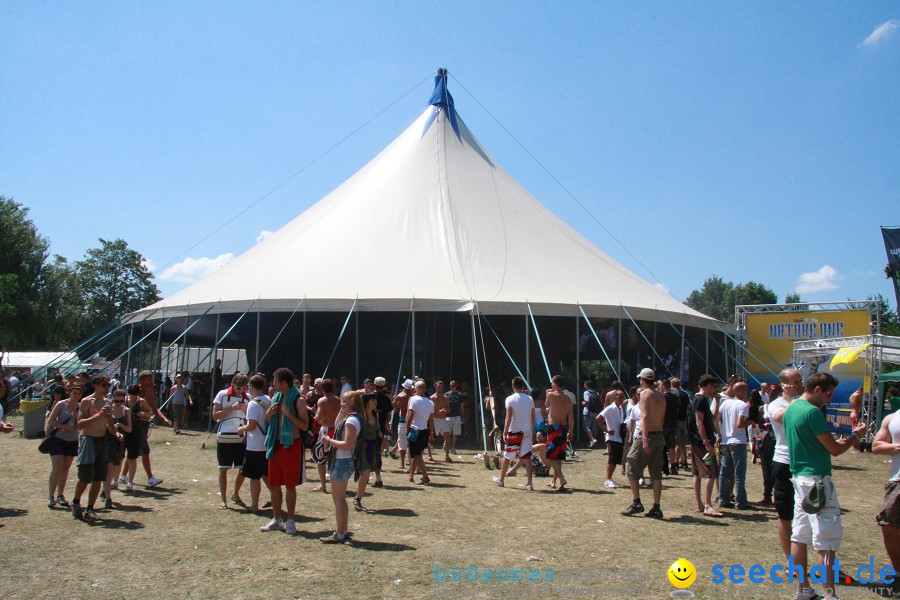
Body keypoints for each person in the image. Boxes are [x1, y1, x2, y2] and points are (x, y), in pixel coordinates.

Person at [783, 372, 865, 600]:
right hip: (817, 481)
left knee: (799, 535)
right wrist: (855, 436)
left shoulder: (792, 408)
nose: (829, 400)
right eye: (828, 395)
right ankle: (830, 595)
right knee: (826, 541)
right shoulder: (812, 412)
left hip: (799, 478)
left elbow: (817, 443)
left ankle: (803, 589)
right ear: (818, 389)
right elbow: (835, 450)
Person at [261, 368, 308, 534]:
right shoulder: (276, 398)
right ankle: (276, 518)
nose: (272, 383)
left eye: (275, 380)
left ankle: (291, 520)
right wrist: (268, 414)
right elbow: (269, 421)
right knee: (273, 484)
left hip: (291, 445)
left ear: (283, 383)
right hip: (276, 444)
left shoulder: (299, 400)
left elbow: (304, 425)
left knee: (289, 485)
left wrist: (289, 414)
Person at [320, 391, 364, 543]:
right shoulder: (353, 417)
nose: (341, 404)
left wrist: (328, 440)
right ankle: (343, 530)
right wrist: (342, 409)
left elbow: (347, 444)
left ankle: (339, 534)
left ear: (352, 402)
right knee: (340, 499)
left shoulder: (352, 420)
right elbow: (337, 424)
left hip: (342, 461)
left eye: (344, 401)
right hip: (343, 460)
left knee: (338, 500)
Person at [71, 376, 116, 521]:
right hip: (88, 440)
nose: (107, 387)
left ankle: (90, 508)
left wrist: (110, 421)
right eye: (104, 385)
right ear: (95, 386)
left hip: (102, 440)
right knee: (85, 475)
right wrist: (98, 416)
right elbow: (81, 424)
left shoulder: (108, 403)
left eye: (108, 385)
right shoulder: (86, 401)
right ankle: (76, 502)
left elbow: (111, 427)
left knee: (99, 476)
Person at [622, 368, 666, 518]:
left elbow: (645, 417)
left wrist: (645, 439)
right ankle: (657, 507)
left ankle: (636, 503)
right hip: (659, 436)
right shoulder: (661, 396)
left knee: (632, 466)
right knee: (656, 474)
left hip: (647, 436)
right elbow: (661, 418)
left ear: (642, 379)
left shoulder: (645, 394)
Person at [212, 373, 249, 509]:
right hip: (225, 437)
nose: (240, 391)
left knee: (242, 468)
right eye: (238, 387)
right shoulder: (222, 394)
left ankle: (236, 493)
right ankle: (223, 499)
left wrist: (246, 434)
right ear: (233, 384)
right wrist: (232, 408)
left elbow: (249, 418)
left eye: (243, 388)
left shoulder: (247, 397)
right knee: (223, 469)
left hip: (240, 437)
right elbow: (215, 416)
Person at [872, 407, 900, 587]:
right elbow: (876, 446)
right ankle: (897, 572)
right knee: (888, 525)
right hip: (897, 480)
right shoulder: (892, 417)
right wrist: (897, 446)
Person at [492, 377, 535, 491]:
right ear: (523, 386)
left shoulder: (510, 399)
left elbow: (508, 416)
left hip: (515, 430)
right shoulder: (530, 399)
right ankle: (529, 483)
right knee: (527, 457)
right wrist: (530, 429)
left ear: (513, 387)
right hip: (527, 430)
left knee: (507, 456)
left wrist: (505, 431)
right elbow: (532, 415)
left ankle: (501, 480)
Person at [237, 374, 272, 513]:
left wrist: (241, 429)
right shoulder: (268, 400)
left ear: (251, 386)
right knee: (265, 474)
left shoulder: (253, 403)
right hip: (266, 443)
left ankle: (254, 505)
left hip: (255, 445)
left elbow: (251, 426)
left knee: (254, 477)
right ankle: (274, 497)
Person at [689, 374, 723, 517]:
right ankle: (707, 505)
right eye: (714, 387)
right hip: (702, 442)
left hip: (698, 441)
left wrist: (717, 401)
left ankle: (700, 504)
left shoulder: (703, 400)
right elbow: (699, 422)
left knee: (697, 473)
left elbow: (713, 418)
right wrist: (706, 442)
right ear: (708, 385)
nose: (715, 390)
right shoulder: (701, 400)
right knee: (711, 472)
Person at [716, 382, 751, 509]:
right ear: (740, 392)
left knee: (724, 472)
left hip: (726, 441)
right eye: (746, 391)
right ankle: (741, 501)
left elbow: (718, 419)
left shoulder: (725, 403)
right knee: (739, 473)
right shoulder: (742, 405)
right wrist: (750, 422)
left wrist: (720, 434)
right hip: (738, 440)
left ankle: (723, 499)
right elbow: (740, 424)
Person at [46, 385, 81, 508]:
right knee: (57, 468)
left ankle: (60, 495)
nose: (76, 396)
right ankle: (51, 496)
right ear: (70, 392)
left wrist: (77, 420)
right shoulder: (61, 404)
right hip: (58, 439)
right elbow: (51, 421)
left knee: (65, 469)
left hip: (72, 441)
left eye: (78, 394)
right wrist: (65, 427)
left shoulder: (80, 407)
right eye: (74, 393)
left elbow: (81, 424)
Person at [138, 370, 169, 487]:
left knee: (133, 451)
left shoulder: (150, 391)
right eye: (148, 379)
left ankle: (123, 476)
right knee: (144, 451)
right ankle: (150, 478)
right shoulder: (137, 390)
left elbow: (154, 408)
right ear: (142, 380)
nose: (151, 382)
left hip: (144, 424)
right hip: (137, 424)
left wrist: (164, 419)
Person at [353, 392, 383, 511]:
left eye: (375, 400)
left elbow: (378, 431)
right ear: (366, 402)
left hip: (373, 446)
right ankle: (357, 499)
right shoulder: (360, 416)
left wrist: (381, 434)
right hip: (362, 446)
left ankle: (358, 499)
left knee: (366, 474)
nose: (375, 402)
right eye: (372, 400)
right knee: (365, 474)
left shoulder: (376, 415)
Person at [544, 375, 574, 491]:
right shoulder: (568, 398)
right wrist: (571, 431)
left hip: (553, 427)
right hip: (563, 427)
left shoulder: (551, 395)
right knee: (558, 456)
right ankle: (554, 481)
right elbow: (571, 418)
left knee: (552, 455)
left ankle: (561, 478)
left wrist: (550, 392)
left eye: (552, 383)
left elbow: (546, 406)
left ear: (555, 383)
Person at [102, 388, 131, 509]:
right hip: (108, 440)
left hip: (120, 441)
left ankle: (113, 483)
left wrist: (120, 425)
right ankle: (107, 494)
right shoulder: (108, 409)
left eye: (121, 400)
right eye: (116, 400)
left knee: (117, 464)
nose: (118, 403)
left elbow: (129, 429)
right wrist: (112, 428)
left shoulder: (126, 411)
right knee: (108, 467)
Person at [120, 384, 152, 491]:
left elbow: (151, 413)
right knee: (119, 454)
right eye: (130, 394)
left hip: (136, 429)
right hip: (123, 429)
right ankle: (120, 477)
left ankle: (129, 480)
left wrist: (142, 414)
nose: (132, 397)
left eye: (134, 395)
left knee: (132, 455)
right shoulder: (123, 400)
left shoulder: (141, 401)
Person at [312, 379, 341, 493]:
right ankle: (338, 484)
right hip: (337, 430)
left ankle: (323, 485)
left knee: (321, 458)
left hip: (325, 430)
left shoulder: (322, 401)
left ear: (322, 389)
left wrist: (312, 415)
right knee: (336, 457)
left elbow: (318, 418)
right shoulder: (338, 400)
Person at [406, 380, 435, 484]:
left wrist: (407, 428)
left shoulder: (414, 400)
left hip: (414, 429)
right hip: (424, 430)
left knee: (417, 454)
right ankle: (411, 475)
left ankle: (425, 476)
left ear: (416, 389)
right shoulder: (430, 402)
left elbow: (410, 415)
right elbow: (431, 420)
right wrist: (432, 433)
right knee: (417, 453)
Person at [597, 386, 626, 488]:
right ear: (615, 397)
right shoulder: (609, 408)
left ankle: (611, 478)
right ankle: (607, 479)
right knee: (612, 459)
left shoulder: (621, 409)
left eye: (623, 397)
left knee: (616, 459)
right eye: (620, 397)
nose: (622, 399)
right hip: (612, 438)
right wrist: (606, 430)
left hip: (619, 437)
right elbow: (598, 418)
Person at [373, 376, 392, 486]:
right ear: (384, 386)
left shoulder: (368, 397)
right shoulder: (386, 399)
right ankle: (378, 478)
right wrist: (386, 426)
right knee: (377, 453)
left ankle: (365, 477)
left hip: (368, 428)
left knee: (366, 452)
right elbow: (388, 416)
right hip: (380, 428)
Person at [391, 379, 414, 469]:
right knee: (411, 443)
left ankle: (402, 463)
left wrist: (399, 406)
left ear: (404, 387)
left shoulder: (400, 396)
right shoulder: (413, 397)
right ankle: (411, 463)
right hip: (411, 421)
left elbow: (392, 405)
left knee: (402, 443)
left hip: (402, 420)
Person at [660, 378, 680, 476]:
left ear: (663, 386)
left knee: (661, 446)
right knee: (671, 445)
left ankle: (662, 465)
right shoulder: (675, 397)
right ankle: (672, 465)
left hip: (663, 424)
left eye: (660, 385)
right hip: (673, 424)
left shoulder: (662, 397)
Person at [671, 378, 691, 470]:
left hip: (676, 420)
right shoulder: (685, 394)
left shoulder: (673, 394)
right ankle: (684, 461)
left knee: (677, 442)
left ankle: (675, 461)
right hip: (684, 420)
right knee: (682, 442)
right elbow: (689, 406)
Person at [431, 380, 452, 462]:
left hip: (443, 419)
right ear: (435, 387)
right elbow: (430, 411)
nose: (440, 389)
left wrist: (445, 410)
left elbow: (449, 409)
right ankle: (430, 455)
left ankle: (447, 456)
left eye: (441, 387)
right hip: (434, 420)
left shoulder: (446, 397)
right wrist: (438, 412)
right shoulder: (432, 398)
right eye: (438, 387)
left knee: (447, 437)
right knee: (431, 438)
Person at [581, 380, 601, 448]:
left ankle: (592, 439)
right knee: (594, 427)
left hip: (588, 412)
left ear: (586, 385)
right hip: (595, 412)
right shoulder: (596, 393)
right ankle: (593, 440)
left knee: (586, 426)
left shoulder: (586, 392)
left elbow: (587, 401)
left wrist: (583, 403)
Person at [446, 380, 463, 455]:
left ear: (456, 386)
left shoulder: (460, 395)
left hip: (457, 415)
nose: (451, 387)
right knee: (447, 433)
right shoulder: (446, 394)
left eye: (453, 386)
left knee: (455, 433)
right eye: (450, 386)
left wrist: (462, 417)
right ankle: (447, 445)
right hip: (448, 416)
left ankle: (453, 447)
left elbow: (461, 406)